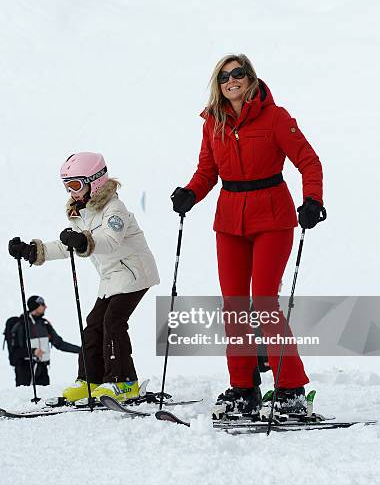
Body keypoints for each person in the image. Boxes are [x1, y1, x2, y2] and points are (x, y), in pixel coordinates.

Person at [171, 54, 325, 416]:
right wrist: (191, 193)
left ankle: (291, 390)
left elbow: (308, 160)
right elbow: (207, 171)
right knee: (235, 307)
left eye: (237, 74)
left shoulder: (276, 118)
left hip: (273, 217)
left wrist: (313, 200)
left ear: (250, 78)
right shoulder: (213, 122)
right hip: (229, 221)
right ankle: (244, 389)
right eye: (224, 76)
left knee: (266, 302)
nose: (231, 81)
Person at [8, 152, 160, 403]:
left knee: (113, 322)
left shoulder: (114, 208)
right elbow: (68, 245)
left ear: (96, 180)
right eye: (67, 186)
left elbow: (110, 242)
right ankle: (91, 380)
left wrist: (82, 240)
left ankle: (123, 382)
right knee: (93, 325)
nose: (72, 192)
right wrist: (34, 251)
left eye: (76, 185)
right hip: (111, 278)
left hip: (135, 273)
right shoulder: (82, 212)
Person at [5, 296, 80, 387]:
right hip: (25, 370)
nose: (45, 307)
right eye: (42, 304)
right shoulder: (21, 325)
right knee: (25, 398)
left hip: (43, 369)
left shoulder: (44, 324)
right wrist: (33, 351)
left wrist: (81, 350)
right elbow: (16, 353)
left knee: (44, 398)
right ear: (35, 306)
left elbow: (59, 344)